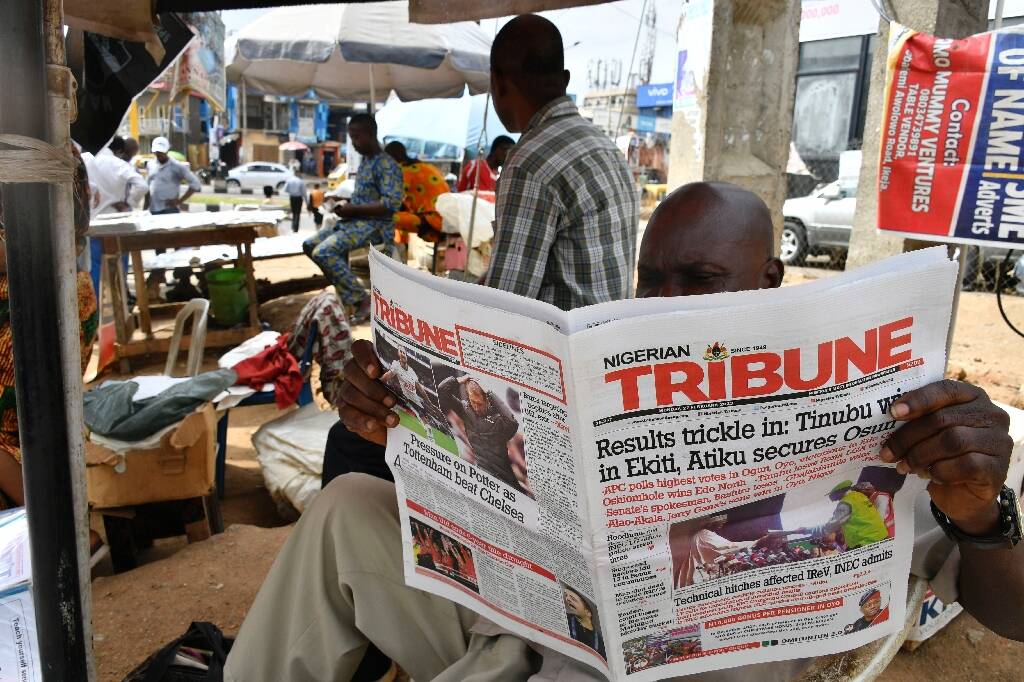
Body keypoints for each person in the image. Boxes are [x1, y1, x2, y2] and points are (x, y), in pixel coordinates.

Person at [225, 182, 1024, 682]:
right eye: (654, 279)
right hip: (524, 624)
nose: (666, 299)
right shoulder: (602, 376)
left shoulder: (894, 414)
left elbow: (1012, 614)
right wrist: (390, 411)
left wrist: (985, 515)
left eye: (701, 280)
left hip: (688, 666)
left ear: (769, 280)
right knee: (344, 509)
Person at [486, 15, 637, 310]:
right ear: (565, 80)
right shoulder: (604, 146)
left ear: (498, 82)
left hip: (565, 351)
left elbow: (506, 307)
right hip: (610, 344)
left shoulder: (529, 164)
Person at [302, 114, 403, 323]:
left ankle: (360, 299)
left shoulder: (386, 165)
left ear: (370, 134)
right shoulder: (366, 161)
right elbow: (366, 196)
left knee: (324, 252)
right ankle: (347, 292)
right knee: (309, 244)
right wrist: (343, 200)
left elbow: (390, 205)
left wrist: (353, 209)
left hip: (376, 226)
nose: (354, 144)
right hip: (356, 221)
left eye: (356, 137)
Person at [82, 135, 148, 293]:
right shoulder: (118, 164)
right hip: (118, 222)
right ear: (118, 150)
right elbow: (142, 186)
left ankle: (97, 308)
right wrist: (129, 202)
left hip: (93, 222)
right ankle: (120, 301)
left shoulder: (85, 160)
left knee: (95, 266)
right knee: (119, 265)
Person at [437, 374, 524, 492]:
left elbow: (513, 423)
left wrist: (490, 393)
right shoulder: (465, 409)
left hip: (506, 479)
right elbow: (442, 391)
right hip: (483, 476)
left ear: (487, 400)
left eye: (479, 403)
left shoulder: (498, 419)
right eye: (473, 402)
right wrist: (457, 381)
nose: (476, 407)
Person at [384, 141, 448, 247]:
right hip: (443, 218)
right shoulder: (422, 166)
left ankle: (399, 251)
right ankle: (401, 249)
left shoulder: (404, 171)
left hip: (433, 221)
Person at [146, 136, 200, 215]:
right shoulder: (150, 164)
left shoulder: (177, 166)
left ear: (167, 151)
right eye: (157, 151)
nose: (159, 154)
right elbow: (149, 185)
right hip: (153, 209)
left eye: (161, 152)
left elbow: (195, 184)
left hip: (169, 210)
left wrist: (179, 201)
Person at [563, 585, 605, 660]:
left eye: (573, 599)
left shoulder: (600, 641)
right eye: (566, 596)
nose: (567, 599)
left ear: (588, 613)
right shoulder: (564, 618)